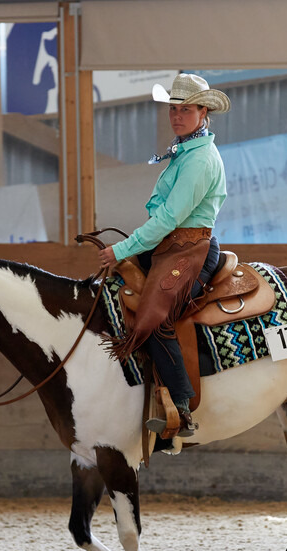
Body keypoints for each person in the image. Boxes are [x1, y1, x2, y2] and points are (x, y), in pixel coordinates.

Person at [98, 73, 229, 437]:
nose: (176, 115)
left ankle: (181, 407)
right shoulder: (185, 151)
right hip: (170, 245)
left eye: (185, 109)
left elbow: (171, 216)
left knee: (155, 317)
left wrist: (122, 249)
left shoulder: (199, 159)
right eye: (173, 109)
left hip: (189, 248)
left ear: (203, 111)